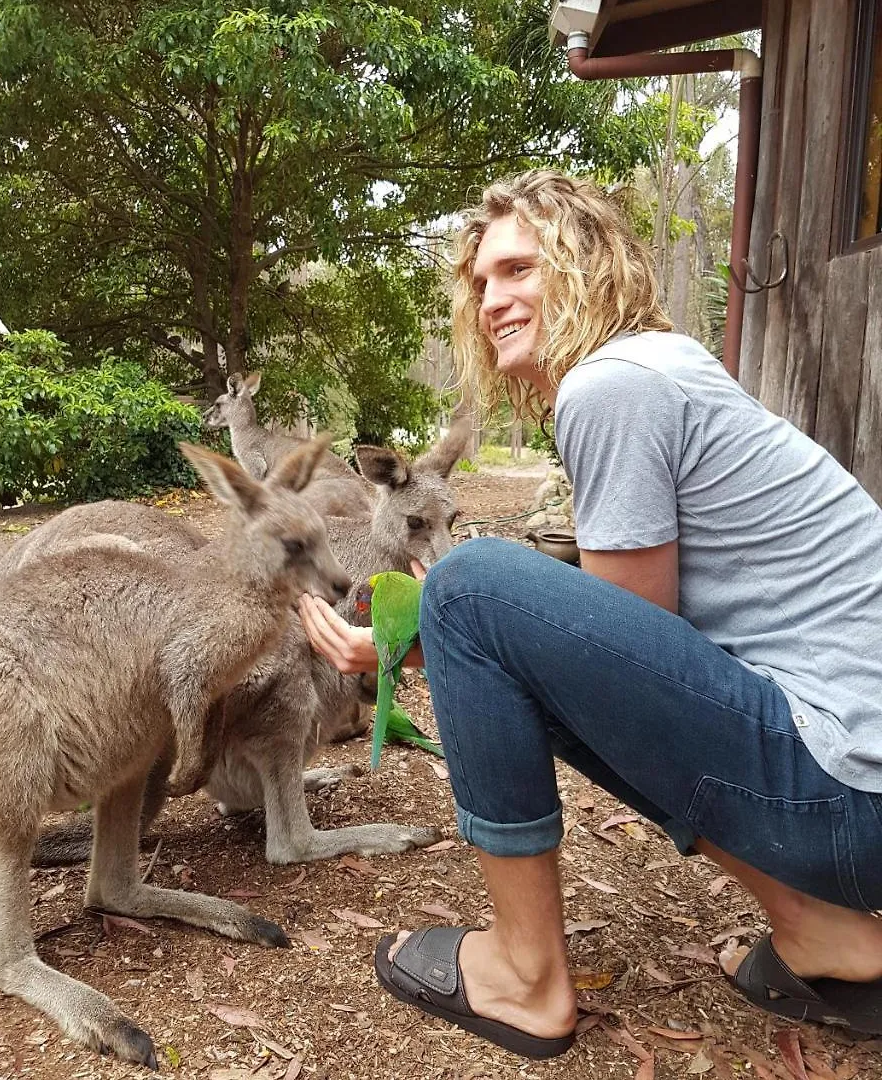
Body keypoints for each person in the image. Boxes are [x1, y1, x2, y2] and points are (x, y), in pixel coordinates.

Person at [298, 169, 882, 1058]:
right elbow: (613, 654)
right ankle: (821, 931)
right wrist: (439, 650)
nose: (493, 298)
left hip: (850, 799)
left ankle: (526, 976)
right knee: (487, 605)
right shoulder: (664, 368)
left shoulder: (613, 387)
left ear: (583, 266)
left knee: (469, 583)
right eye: (482, 280)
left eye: (520, 270)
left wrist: (419, 640)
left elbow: (613, 657)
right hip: (851, 788)